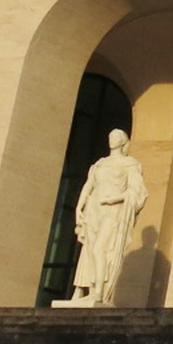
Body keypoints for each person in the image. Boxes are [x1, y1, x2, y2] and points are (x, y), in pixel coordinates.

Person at [54, 129, 146, 308]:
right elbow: (89, 186)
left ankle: (99, 294)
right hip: (94, 209)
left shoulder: (130, 164)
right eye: (110, 136)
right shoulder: (100, 164)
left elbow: (137, 190)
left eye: (117, 137)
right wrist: (79, 207)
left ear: (123, 141)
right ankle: (90, 291)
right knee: (89, 250)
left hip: (112, 211)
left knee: (99, 249)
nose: (113, 139)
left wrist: (116, 199)